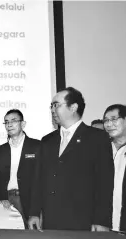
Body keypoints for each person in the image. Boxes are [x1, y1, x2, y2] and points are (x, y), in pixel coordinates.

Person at [28, 87, 114, 231]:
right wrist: (34, 213)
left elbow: (104, 183)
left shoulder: (97, 138)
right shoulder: (47, 140)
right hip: (51, 221)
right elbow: (39, 179)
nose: (52, 110)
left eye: (56, 105)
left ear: (73, 107)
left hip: (83, 221)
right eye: (51, 106)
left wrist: (102, 220)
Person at [0, 109, 40, 228]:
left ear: (23, 124)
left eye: (13, 121)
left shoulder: (37, 146)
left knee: (31, 234)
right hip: (7, 200)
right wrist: (0, 198)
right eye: (6, 122)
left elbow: (41, 178)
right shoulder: (0, 150)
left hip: (30, 199)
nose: (9, 124)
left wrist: (36, 209)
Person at [103, 104, 126, 231]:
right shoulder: (101, 149)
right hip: (105, 225)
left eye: (113, 119)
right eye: (105, 120)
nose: (108, 124)